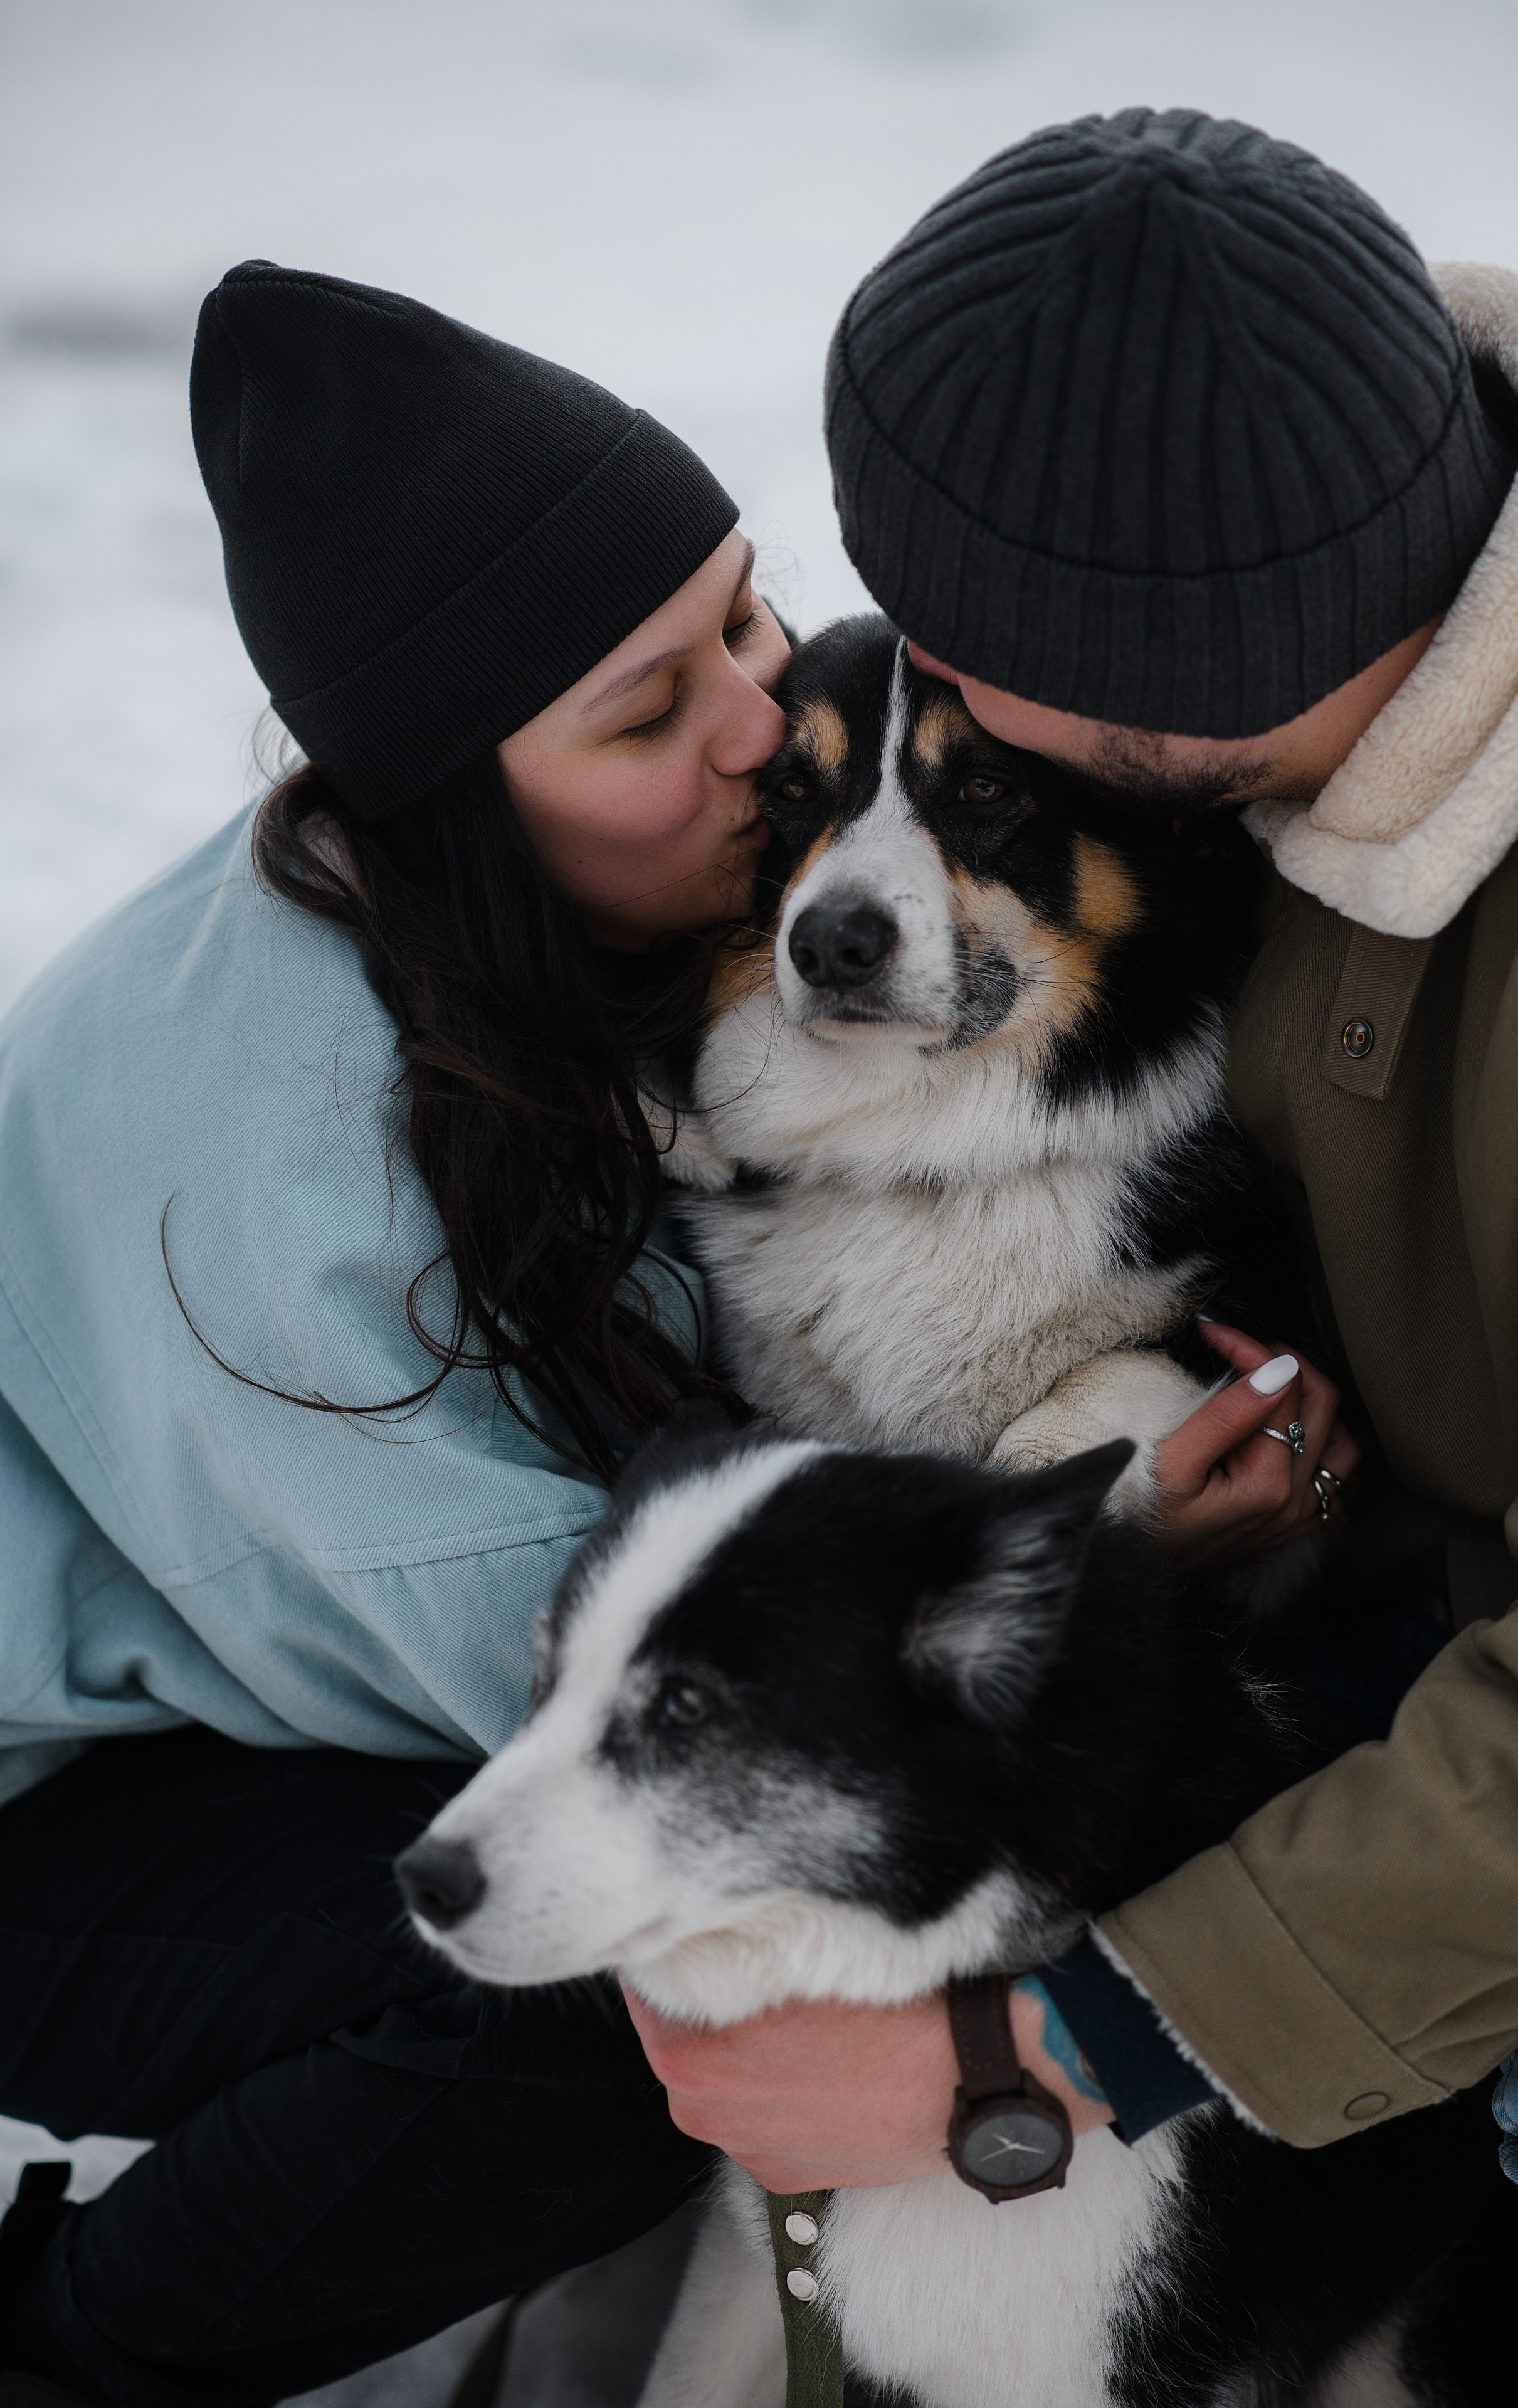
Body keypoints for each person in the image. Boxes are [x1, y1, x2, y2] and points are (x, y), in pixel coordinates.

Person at [631, 110, 1518, 2269]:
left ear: (1183, 654)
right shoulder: (1308, 694)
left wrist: (1046, 2052)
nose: (919, 685)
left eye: (966, 653)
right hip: (1423, 1637)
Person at [0, 260, 793, 2401]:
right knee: (579, 1985)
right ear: (455, 792)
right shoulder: (283, 1165)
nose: (767, 724)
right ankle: (72, 2351)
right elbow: (575, 1706)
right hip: (31, 1808)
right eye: (651, 711)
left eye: (751, 615)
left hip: (169, 1676)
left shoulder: (474, 923)